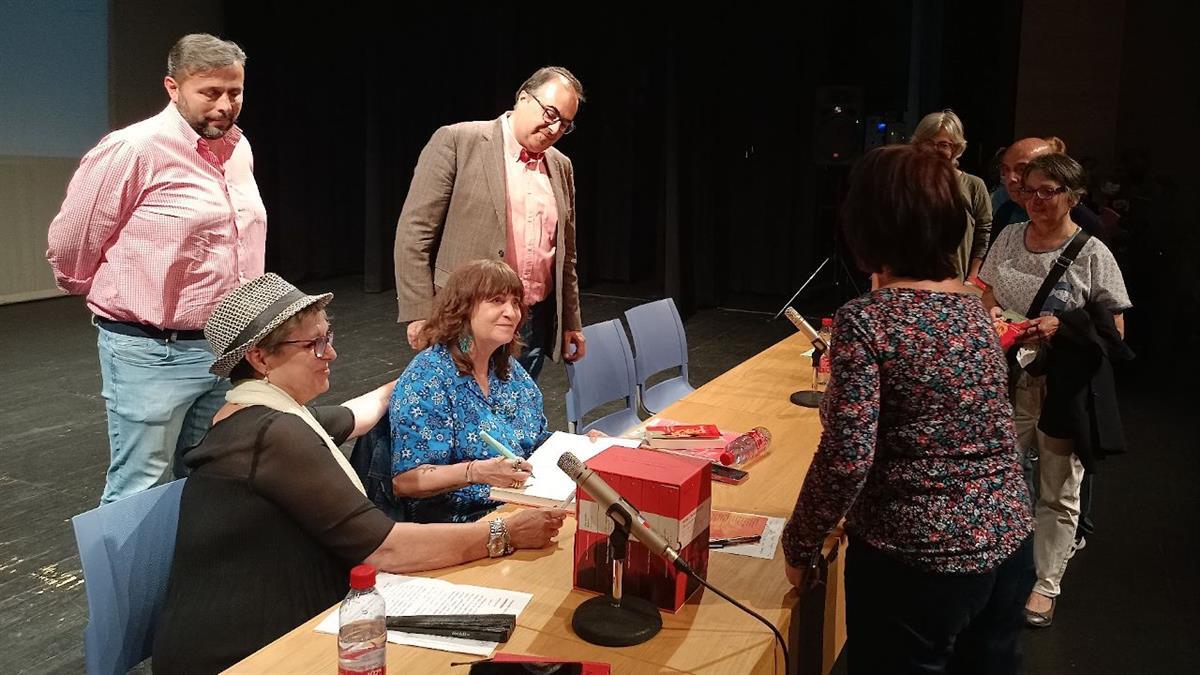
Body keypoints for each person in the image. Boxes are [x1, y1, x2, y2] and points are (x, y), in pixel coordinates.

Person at [152, 273, 567, 673]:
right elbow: (384, 549)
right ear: (260, 357)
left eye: (327, 338)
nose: (330, 354)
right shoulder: (273, 435)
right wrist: (506, 534)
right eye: (314, 345)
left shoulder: (268, 412)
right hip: (245, 653)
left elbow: (357, 414)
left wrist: (421, 378)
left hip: (275, 621)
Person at [782, 145, 1034, 674]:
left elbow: (848, 456)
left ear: (867, 225)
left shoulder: (867, 319)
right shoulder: (972, 307)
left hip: (916, 562)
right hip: (1008, 543)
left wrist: (800, 545)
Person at [46, 33, 267, 504]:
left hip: (224, 348)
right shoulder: (134, 149)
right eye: (210, 93)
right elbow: (72, 242)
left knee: (207, 477)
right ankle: (127, 582)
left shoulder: (237, 149)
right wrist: (115, 301)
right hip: (152, 352)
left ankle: (182, 579)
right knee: (140, 489)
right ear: (173, 87)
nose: (225, 105)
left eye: (235, 92)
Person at [979, 153, 1132, 628]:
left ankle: (1045, 585)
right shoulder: (1008, 236)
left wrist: (1060, 326)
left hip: (1063, 385)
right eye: (1028, 190)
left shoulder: (1092, 252)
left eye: (1049, 191)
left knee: (1058, 488)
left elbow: (1116, 332)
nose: (1037, 200)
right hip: (1009, 377)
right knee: (998, 476)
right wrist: (994, 319)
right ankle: (998, 570)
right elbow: (985, 293)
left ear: (1073, 195)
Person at [393, 66, 587, 380]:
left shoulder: (560, 165)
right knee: (464, 417)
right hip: (466, 319)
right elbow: (414, 234)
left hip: (530, 322)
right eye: (550, 113)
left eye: (565, 123)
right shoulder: (458, 141)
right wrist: (420, 313)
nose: (554, 128)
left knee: (513, 418)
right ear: (524, 97)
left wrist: (571, 322)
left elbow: (566, 255)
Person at [389, 259, 549, 523]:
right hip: (466, 520)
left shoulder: (507, 369)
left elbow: (535, 438)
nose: (512, 312)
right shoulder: (429, 377)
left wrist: (580, 447)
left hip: (523, 501)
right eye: (497, 301)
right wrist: (475, 472)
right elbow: (406, 481)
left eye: (515, 302)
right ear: (463, 309)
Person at [909, 109, 993, 283]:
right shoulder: (906, 182)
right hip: (910, 280)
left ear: (956, 148)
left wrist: (972, 277)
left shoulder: (974, 185)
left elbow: (983, 234)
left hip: (955, 282)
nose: (934, 150)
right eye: (928, 143)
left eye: (943, 144)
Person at [991, 137, 1102, 244]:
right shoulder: (1005, 212)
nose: (1011, 178)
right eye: (1006, 169)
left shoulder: (1085, 223)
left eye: (1021, 169)